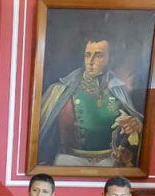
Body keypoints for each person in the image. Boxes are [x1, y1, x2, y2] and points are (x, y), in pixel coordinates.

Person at [38, 33, 143, 167]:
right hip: (69, 160)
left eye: (99, 55)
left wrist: (136, 125)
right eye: (88, 55)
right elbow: (42, 131)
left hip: (109, 161)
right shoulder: (60, 89)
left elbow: (136, 122)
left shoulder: (119, 89)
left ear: (110, 59)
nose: (91, 61)